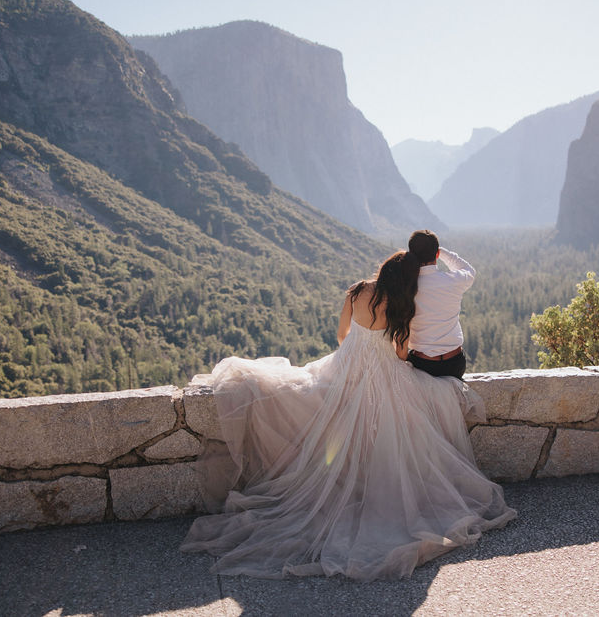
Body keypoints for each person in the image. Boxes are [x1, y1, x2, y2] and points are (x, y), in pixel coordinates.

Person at [181, 251, 515, 581]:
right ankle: (372, 489)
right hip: (384, 372)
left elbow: (342, 335)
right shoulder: (402, 307)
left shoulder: (357, 291)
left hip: (346, 365)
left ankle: (347, 485)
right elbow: (401, 353)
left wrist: (355, 354)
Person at [406, 230, 475, 380]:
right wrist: (441, 252)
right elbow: (469, 271)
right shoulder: (453, 281)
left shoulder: (407, 287)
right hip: (454, 364)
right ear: (436, 254)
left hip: (422, 364)